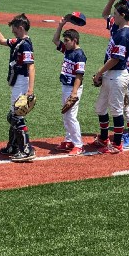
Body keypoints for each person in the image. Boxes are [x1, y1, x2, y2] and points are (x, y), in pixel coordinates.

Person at [91, 0, 129, 154]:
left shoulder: (124, 34)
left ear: (123, 15)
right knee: (100, 108)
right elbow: (104, 14)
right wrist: (111, 0)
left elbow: (116, 59)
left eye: (116, 14)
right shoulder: (117, 27)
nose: (113, 16)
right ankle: (104, 138)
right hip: (109, 74)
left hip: (117, 75)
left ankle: (117, 144)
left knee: (116, 110)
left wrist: (99, 72)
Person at [0, 13, 36, 162]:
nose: (12, 31)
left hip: (23, 82)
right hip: (17, 81)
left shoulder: (26, 45)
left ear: (21, 28)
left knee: (16, 116)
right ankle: (13, 146)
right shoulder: (17, 42)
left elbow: (31, 67)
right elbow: (1, 40)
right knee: (13, 115)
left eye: (14, 28)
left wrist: (30, 90)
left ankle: (27, 150)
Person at [52, 15, 87, 155]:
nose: (64, 43)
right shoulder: (68, 50)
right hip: (65, 86)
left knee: (71, 116)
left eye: (67, 41)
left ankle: (79, 144)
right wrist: (60, 25)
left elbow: (79, 75)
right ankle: (69, 139)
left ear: (75, 41)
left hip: (73, 88)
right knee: (66, 114)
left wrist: (74, 93)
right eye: (65, 41)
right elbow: (55, 40)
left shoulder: (79, 55)